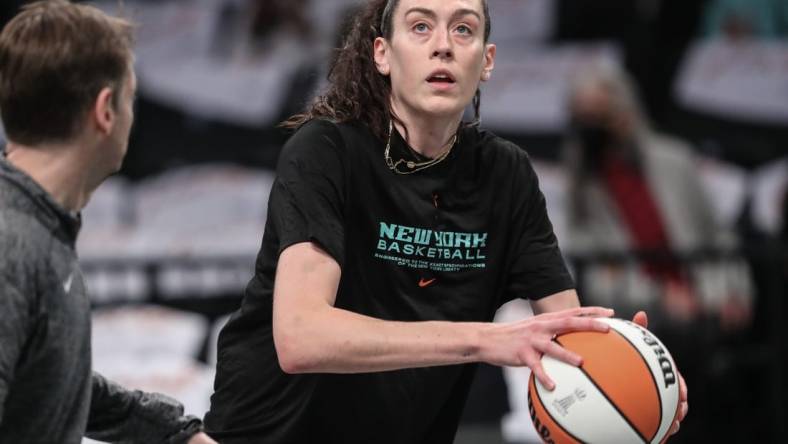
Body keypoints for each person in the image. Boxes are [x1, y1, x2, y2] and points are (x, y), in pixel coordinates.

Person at [204, 1, 687, 443]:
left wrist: (629, 372)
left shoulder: (506, 175)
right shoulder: (325, 151)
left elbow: (564, 335)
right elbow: (302, 337)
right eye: (420, 27)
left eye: (464, 29)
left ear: (487, 61)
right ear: (382, 55)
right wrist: (486, 339)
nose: (443, 45)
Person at [0, 2, 216, 443]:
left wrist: (179, 435)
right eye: (130, 98)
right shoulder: (14, 243)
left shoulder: (38, 230)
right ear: (105, 111)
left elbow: (58, 382)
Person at [561, 61, 753, 331]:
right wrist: (660, 296)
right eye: (586, 119)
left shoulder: (674, 160)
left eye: (603, 116)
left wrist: (732, 292)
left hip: (708, 300)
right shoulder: (581, 184)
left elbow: (717, 234)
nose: (596, 129)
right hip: (639, 318)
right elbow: (595, 275)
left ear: (626, 110)